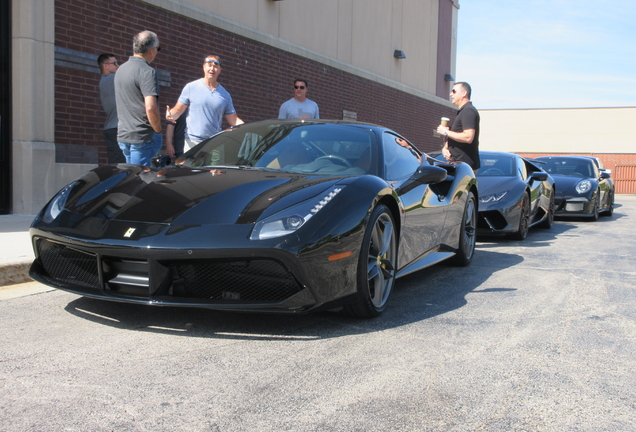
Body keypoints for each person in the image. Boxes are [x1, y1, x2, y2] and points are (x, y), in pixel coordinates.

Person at [166, 55, 243, 152]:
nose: (212, 69)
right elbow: (178, 110)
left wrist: (249, 128)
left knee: (214, 168)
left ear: (220, 70)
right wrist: (171, 115)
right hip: (192, 143)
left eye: (215, 66)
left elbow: (234, 120)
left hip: (215, 144)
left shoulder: (225, 95)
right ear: (204, 67)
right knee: (192, 168)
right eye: (209, 65)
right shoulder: (191, 87)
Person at [114, 30, 162, 166]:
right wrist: (158, 130)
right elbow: (151, 107)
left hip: (124, 134)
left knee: (131, 179)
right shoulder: (147, 71)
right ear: (151, 51)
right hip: (142, 136)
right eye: (158, 48)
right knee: (142, 180)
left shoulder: (121, 70)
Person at [436, 82, 480, 171]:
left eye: (454, 91)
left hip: (465, 167)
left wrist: (446, 131)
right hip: (457, 164)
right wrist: (445, 148)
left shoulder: (468, 111)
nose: (450, 94)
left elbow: (468, 137)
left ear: (464, 93)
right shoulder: (462, 111)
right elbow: (457, 135)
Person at [97, 53, 125, 164]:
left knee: (118, 165)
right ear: (105, 66)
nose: (118, 66)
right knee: (120, 167)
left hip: (113, 129)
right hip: (116, 129)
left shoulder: (107, 80)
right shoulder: (111, 79)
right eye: (115, 63)